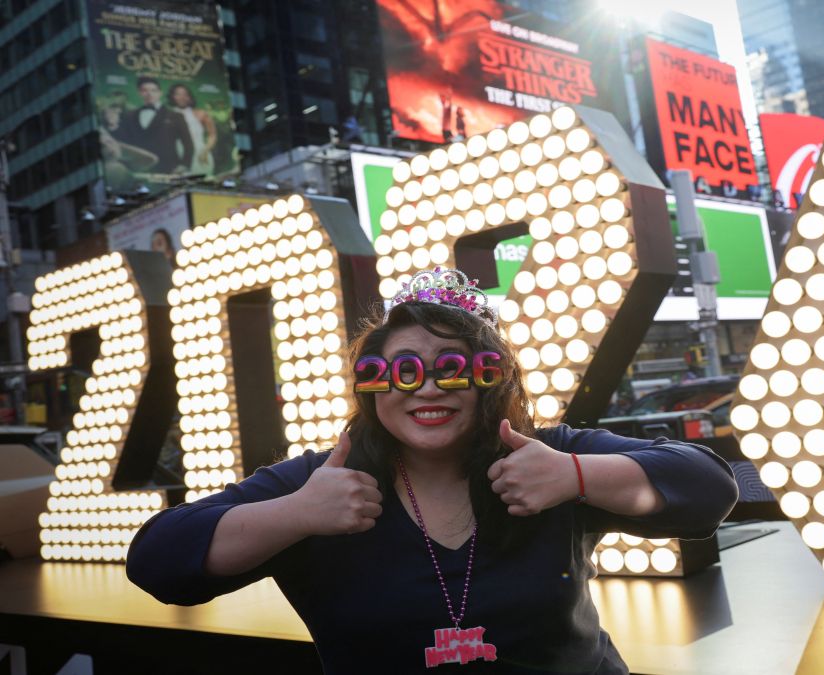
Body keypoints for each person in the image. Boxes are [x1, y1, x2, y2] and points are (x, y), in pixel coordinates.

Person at [126, 267, 738, 673]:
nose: (426, 390)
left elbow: (708, 487)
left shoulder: (542, 456)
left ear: (490, 380)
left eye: (452, 368)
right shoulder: (321, 484)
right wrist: (297, 514)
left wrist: (577, 477)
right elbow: (158, 563)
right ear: (370, 387)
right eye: (399, 371)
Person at [119, 76, 193, 174]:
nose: (149, 94)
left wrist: (184, 165)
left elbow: (188, 144)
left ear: (160, 93)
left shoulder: (175, 116)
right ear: (139, 93)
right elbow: (125, 143)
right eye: (145, 90)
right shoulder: (130, 115)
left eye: (154, 90)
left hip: (169, 169)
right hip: (138, 169)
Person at [169, 84, 217, 177]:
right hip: (179, 154)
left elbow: (213, 135)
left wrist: (205, 151)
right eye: (178, 94)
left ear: (189, 97)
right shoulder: (168, 116)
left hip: (200, 154)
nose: (181, 97)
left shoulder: (201, 114)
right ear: (173, 97)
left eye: (185, 94)